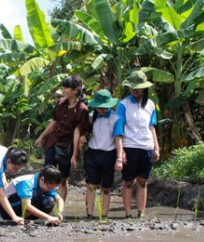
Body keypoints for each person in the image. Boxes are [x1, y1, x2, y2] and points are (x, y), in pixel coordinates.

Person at [35, 76, 89, 201]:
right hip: (53, 142)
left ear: (75, 90)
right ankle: (42, 203)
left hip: (67, 146)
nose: (64, 90)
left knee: (64, 178)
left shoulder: (82, 109)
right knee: (46, 174)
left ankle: (60, 208)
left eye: (66, 88)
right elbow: (54, 122)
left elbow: (77, 132)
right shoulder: (60, 103)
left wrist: (74, 155)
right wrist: (41, 136)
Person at [116, 70, 160, 218]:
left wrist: (156, 147)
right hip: (130, 147)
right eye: (133, 86)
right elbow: (119, 130)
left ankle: (141, 213)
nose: (136, 89)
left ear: (144, 88)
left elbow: (151, 127)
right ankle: (128, 214)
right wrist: (121, 152)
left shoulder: (151, 105)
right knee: (128, 181)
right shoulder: (123, 104)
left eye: (139, 86)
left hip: (147, 146)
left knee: (142, 181)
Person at [81, 89, 123, 218]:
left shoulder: (116, 118)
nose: (102, 110)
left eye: (104, 108)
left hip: (109, 155)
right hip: (92, 153)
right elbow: (83, 130)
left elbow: (118, 138)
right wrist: (82, 136)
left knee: (106, 187)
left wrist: (119, 158)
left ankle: (103, 215)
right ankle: (89, 214)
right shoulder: (90, 116)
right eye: (99, 108)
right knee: (91, 185)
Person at [0, 165, 65, 225]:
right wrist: (49, 217)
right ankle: (20, 221)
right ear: (42, 180)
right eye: (49, 187)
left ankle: (26, 220)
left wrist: (59, 212)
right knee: (33, 200)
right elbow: (27, 206)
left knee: (49, 201)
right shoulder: (26, 182)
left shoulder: (44, 183)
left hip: (21, 205)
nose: (50, 190)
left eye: (53, 188)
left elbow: (59, 199)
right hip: (6, 209)